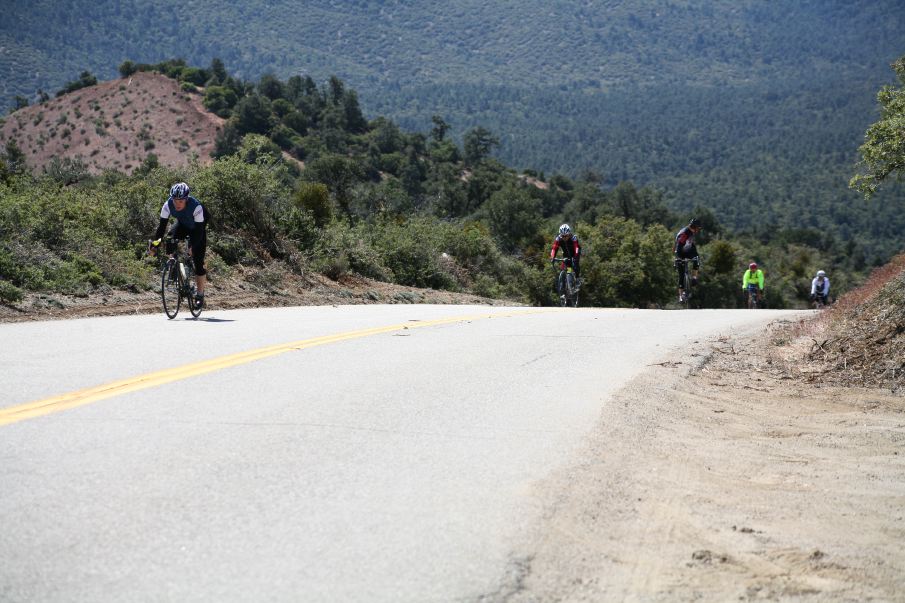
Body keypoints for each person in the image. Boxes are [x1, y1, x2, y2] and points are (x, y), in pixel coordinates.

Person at [147, 182, 209, 307]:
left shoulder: (196, 207)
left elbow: (198, 231)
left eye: (181, 201)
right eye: (175, 200)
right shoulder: (167, 205)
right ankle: (174, 265)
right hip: (183, 225)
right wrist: (155, 245)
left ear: (186, 199)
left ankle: (200, 295)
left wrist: (193, 246)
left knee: (198, 260)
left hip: (197, 228)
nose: (177, 204)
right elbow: (161, 228)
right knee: (170, 238)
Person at [674, 217, 702, 302]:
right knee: (681, 275)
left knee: (696, 259)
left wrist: (695, 256)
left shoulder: (692, 232)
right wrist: (678, 258)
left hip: (688, 250)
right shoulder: (684, 234)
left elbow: (691, 245)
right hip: (680, 252)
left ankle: (694, 278)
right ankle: (681, 295)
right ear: (694, 227)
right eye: (698, 228)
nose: (699, 230)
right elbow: (678, 247)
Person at [550, 223, 581, 291]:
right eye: (562, 236)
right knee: (565, 268)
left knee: (575, 265)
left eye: (566, 236)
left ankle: (578, 279)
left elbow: (576, 248)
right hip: (566, 255)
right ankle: (564, 290)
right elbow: (554, 248)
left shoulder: (573, 238)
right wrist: (552, 257)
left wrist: (575, 257)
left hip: (575, 253)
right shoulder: (558, 239)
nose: (564, 238)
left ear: (569, 234)